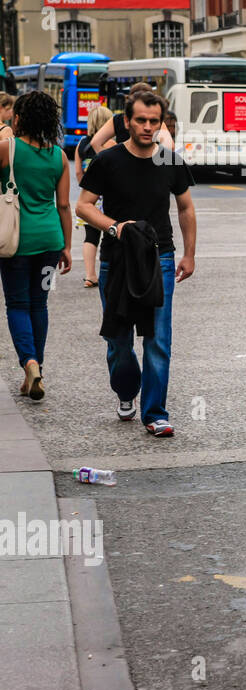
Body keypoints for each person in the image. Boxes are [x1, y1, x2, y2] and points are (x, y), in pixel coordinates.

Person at [76, 90, 197, 437]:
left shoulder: (170, 161)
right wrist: (114, 227)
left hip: (159, 258)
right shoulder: (108, 160)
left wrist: (188, 254)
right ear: (126, 121)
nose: (147, 127)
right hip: (116, 260)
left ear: (162, 124)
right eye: (140, 120)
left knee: (158, 338)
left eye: (154, 121)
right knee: (119, 339)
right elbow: (84, 205)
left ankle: (156, 412)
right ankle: (127, 391)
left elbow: (186, 208)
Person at [0, 92, 73, 400]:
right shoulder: (59, 155)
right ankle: (37, 367)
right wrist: (67, 247)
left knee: (17, 304)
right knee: (39, 304)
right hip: (50, 242)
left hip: (15, 243)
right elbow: (65, 206)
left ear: (18, 118)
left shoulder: (7, 149)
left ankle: (29, 363)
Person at [74, 105, 115, 288]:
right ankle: (112, 271)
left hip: (88, 197)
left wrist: (86, 188)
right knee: (112, 233)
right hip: (108, 196)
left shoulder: (82, 143)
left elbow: (77, 171)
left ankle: (90, 275)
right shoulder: (112, 145)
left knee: (90, 237)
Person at [89, 81, 174, 153]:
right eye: (140, 120)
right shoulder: (155, 122)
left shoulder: (118, 119)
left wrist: (113, 164)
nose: (147, 127)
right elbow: (170, 147)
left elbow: (95, 143)